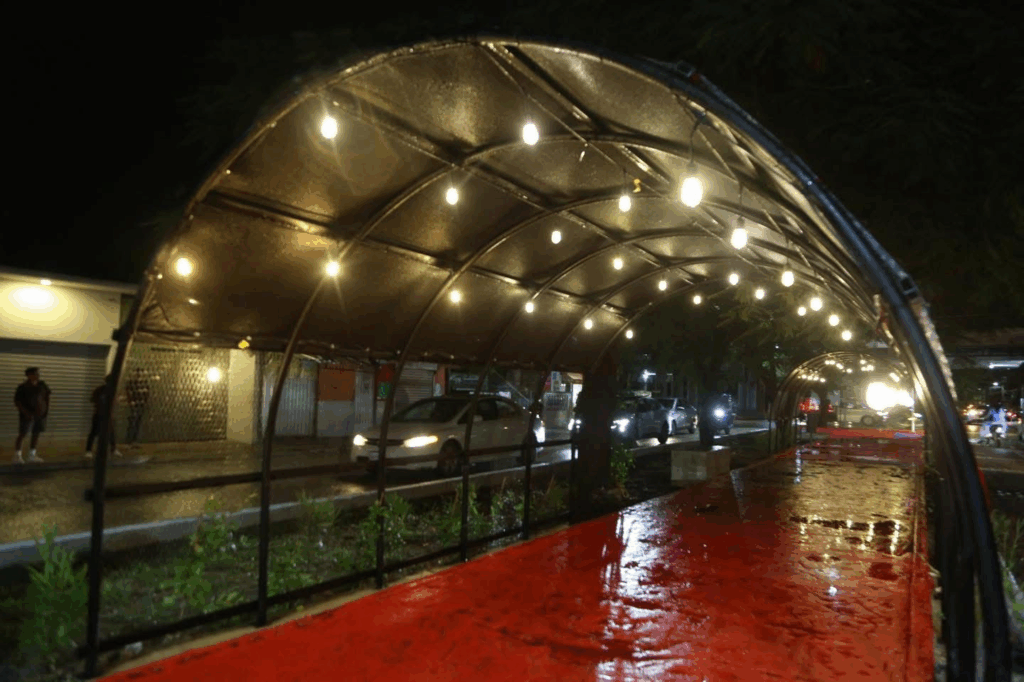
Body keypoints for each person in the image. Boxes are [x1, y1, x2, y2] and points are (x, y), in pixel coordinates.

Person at [13, 367, 50, 463]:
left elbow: (46, 397)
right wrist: (26, 413)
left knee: (36, 433)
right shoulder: (22, 387)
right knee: (23, 434)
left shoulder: (42, 385)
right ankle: (17, 456)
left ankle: (32, 455)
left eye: (38, 373)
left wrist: (45, 411)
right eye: (35, 374)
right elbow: (18, 402)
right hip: (27, 415)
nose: (37, 375)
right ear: (29, 375)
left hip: (40, 414)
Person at [85, 375, 123, 460]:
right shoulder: (100, 390)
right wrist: (100, 402)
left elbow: (116, 401)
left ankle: (113, 449)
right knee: (94, 432)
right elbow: (92, 399)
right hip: (99, 414)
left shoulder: (113, 391)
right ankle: (88, 450)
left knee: (111, 433)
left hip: (108, 415)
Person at [124, 368, 150, 447]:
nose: (139, 375)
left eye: (140, 373)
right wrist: (131, 402)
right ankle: (129, 440)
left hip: (141, 405)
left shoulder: (145, 383)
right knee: (132, 422)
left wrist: (145, 402)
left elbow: (147, 394)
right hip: (134, 405)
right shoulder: (131, 383)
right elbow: (128, 393)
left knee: (138, 422)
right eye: (137, 373)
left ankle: (134, 440)